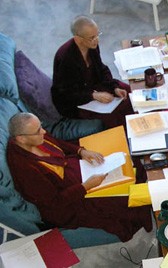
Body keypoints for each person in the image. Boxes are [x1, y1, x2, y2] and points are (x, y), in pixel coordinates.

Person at [6, 113, 152, 242]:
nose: (44, 131)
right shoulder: (25, 169)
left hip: (76, 170)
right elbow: (55, 203)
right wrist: (86, 186)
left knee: (130, 164)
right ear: (21, 139)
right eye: (38, 131)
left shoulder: (37, 138)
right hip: (69, 201)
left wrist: (81, 151)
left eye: (41, 126)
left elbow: (58, 143)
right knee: (123, 200)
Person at [52, 15, 133, 129]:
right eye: (92, 37)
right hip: (76, 100)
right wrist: (93, 95)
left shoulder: (92, 45)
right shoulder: (66, 58)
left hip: (93, 85)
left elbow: (101, 68)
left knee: (128, 93)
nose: (96, 40)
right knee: (112, 115)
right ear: (78, 39)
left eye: (97, 35)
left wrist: (114, 87)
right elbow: (66, 93)